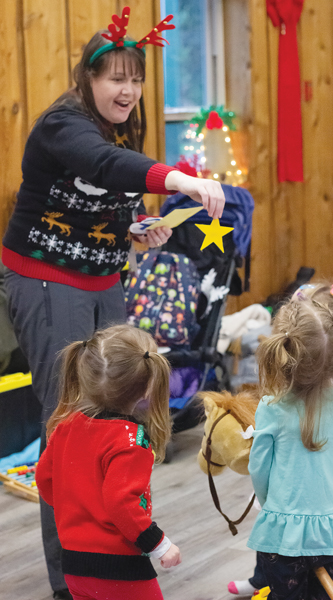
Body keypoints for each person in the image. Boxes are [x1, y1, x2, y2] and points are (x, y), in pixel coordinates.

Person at [2, 8, 225, 599]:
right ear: (88, 80)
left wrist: (134, 227)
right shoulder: (63, 124)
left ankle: (115, 547)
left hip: (103, 280)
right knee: (71, 426)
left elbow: (101, 193)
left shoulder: (118, 128)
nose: (126, 90)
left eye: (135, 79)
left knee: (114, 412)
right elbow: (99, 167)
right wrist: (178, 179)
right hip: (49, 280)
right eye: (113, 78)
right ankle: (70, 580)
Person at [228, 279, 333, 599]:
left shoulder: (271, 407)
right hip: (332, 529)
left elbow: (259, 469)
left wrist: (275, 508)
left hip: (285, 529)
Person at [35, 324, 181, 600]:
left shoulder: (66, 426)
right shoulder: (130, 440)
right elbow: (121, 503)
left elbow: (44, 478)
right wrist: (160, 545)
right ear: (148, 386)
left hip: (73, 565)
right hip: (119, 566)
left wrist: (80, 508)